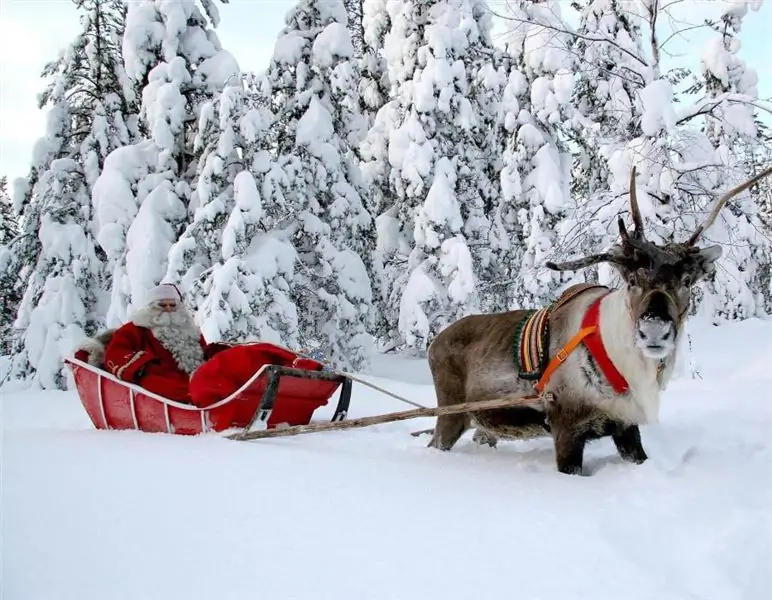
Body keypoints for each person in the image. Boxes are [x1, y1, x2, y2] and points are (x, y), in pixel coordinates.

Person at [103, 283, 228, 402]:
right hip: (162, 379)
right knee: (173, 387)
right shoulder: (135, 329)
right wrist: (146, 366)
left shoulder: (189, 330)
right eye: (162, 305)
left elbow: (203, 353)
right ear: (150, 308)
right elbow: (116, 352)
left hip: (197, 377)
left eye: (172, 305)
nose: (168, 309)